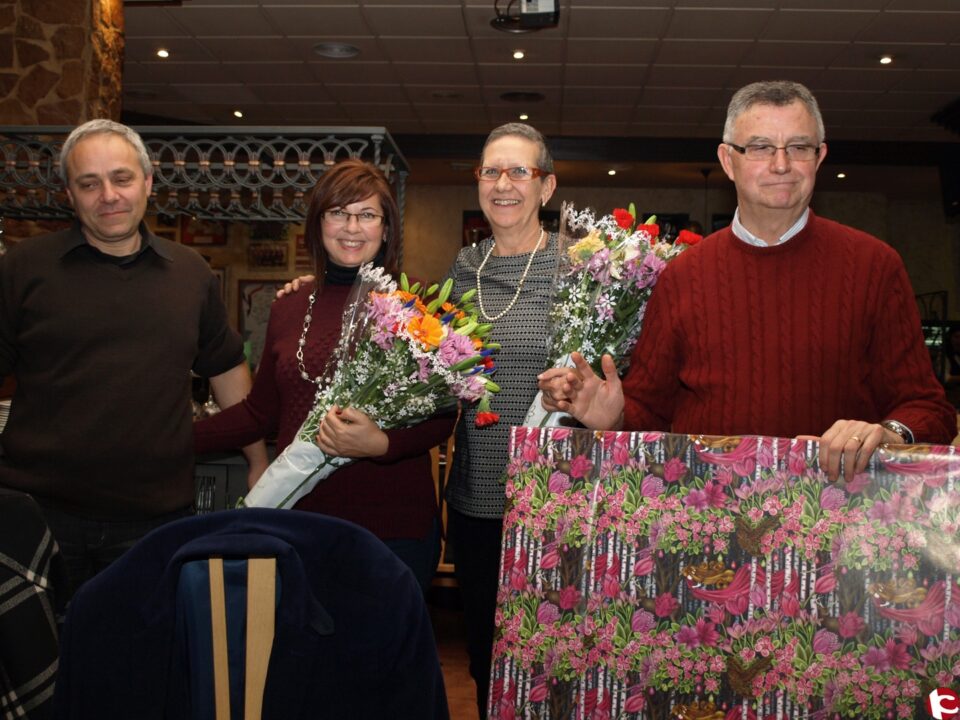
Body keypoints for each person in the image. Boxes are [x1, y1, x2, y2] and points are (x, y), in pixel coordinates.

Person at [539, 80, 957, 480]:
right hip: (705, 522)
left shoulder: (874, 266)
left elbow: (928, 409)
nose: (781, 164)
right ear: (727, 160)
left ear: (820, 156)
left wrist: (889, 434)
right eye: (759, 147)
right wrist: (616, 417)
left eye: (799, 147)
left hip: (833, 522)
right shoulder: (683, 276)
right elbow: (653, 411)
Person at [0, 119, 266, 600]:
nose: (108, 195)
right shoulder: (22, 268)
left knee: (140, 665)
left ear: (146, 182)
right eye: (89, 183)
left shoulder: (190, 273)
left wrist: (258, 459)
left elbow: (225, 366)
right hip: (38, 517)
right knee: (36, 666)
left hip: (156, 518)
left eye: (121, 178)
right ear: (69, 194)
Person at [194, 159, 452, 595]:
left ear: (386, 228)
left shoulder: (418, 303)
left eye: (367, 215)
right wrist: (176, 438)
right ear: (318, 224)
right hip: (302, 519)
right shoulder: (289, 305)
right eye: (338, 212)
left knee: (383, 660)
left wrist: (382, 444)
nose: (352, 227)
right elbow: (261, 412)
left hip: (392, 526)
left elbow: (445, 413)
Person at [444, 123, 558, 717]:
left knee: (555, 656)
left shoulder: (580, 271)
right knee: (488, 657)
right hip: (477, 501)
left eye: (520, 171)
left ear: (547, 187)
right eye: (492, 171)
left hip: (556, 500)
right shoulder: (462, 269)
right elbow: (429, 369)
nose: (504, 183)